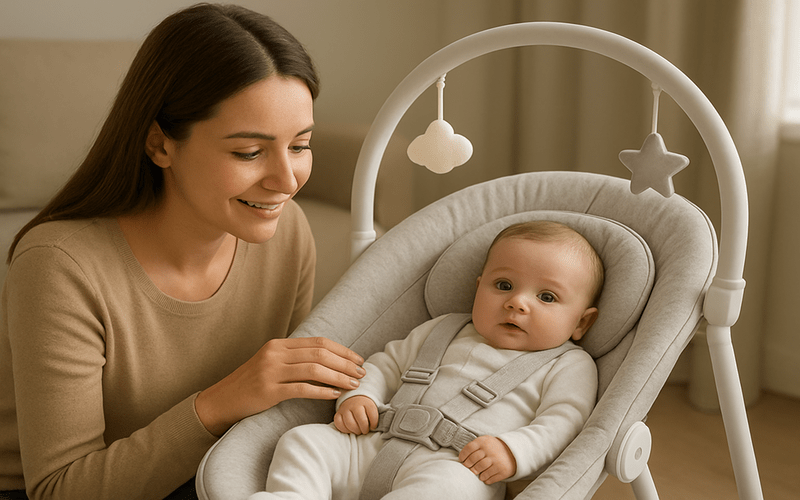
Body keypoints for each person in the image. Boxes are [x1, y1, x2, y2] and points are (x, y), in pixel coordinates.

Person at [0, 4, 366, 499]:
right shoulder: (61, 267)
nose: (286, 181)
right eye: (249, 152)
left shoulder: (287, 231)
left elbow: (283, 413)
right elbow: (59, 488)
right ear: (160, 144)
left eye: (300, 145)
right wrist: (222, 402)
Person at [251, 220, 603, 500]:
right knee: (304, 441)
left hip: (457, 465)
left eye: (546, 296)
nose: (518, 303)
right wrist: (361, 397)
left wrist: (512, 451)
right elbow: (385, 365)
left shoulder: (567, 365)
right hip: (372, 443)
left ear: (581, 322)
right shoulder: (443, 329)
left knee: (449, 492)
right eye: (504, 286)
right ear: (478, 287)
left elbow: (563, 422)